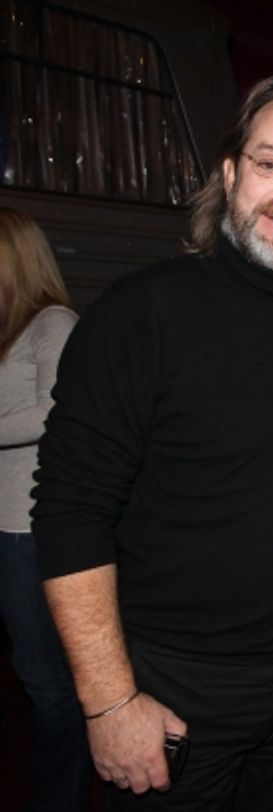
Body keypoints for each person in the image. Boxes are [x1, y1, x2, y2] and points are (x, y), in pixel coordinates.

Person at [31, 75, 273, 809]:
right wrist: (108, 703)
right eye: (269, 164)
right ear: (228, 175)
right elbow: (68, 516)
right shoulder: (139, 317)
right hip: (172, 690)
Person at [0, 207, 91, 811]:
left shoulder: (52, 323)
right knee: (35, 676)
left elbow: (60, 408)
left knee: (49, 682)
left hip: (31, 528)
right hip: (5, 525)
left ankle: (60, 796)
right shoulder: (10, 330)